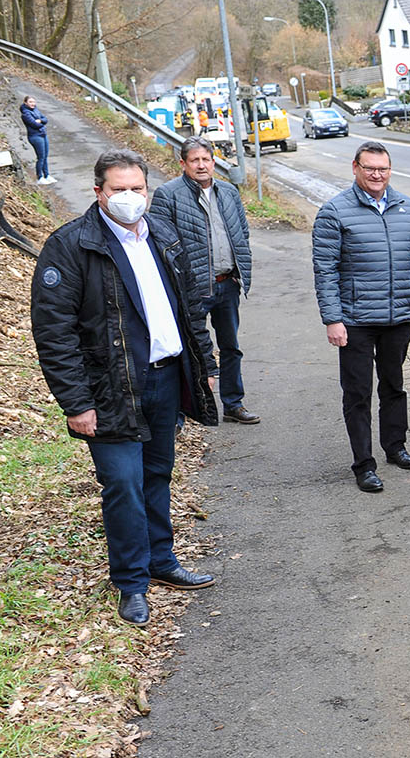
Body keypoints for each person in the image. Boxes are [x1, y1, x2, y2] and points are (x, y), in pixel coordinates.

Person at [30, 150, 219, 627]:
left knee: (156, 475)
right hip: (109, 390)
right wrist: (76, 402)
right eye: (119, 190)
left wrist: (205, 364)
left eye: (138, 188)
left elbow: (190, 308)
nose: (130, 198)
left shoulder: (163, 235)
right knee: (122, 485)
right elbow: (55, 333)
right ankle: (131, 582)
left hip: (164, 378)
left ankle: (162, 560)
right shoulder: (72, 246)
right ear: (99, 192)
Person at [312, 141, 410, 494]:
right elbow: (325, 271)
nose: (376, 175)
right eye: (369, 168)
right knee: (357, 393)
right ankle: (364, 464)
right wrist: (332, 319)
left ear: (390, 170)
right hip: (354, 320)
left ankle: (395, 446)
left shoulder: (407, 208)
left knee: (394, 386)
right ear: (354, 167)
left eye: (382, 169)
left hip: (398, 316)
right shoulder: (334, 212)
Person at [149, 136, 259, 425]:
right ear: (183, 163)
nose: (201, 165)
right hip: (191, 289)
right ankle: (183, 413)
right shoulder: (168, 194)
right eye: (194, 160)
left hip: (226, 284)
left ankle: (233, 404)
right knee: (190, 349)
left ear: (214, 161)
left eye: (206, 159)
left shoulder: (229, 192)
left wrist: (238, 273)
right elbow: (160, 243)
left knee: (231, 347)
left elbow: (242, 233)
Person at [20, 95, 54, 184]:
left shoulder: (36, 110)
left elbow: (45, 119)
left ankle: (47, 175)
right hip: (35, 136)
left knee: (45, 156)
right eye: (30, 102)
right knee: (41, 157)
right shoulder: (25, 113)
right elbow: (34, 124)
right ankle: (40, 177)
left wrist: (40, 121)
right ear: (25, 103)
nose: (33, 104)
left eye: (34, 102)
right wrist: (40, 122)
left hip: (43, 134)